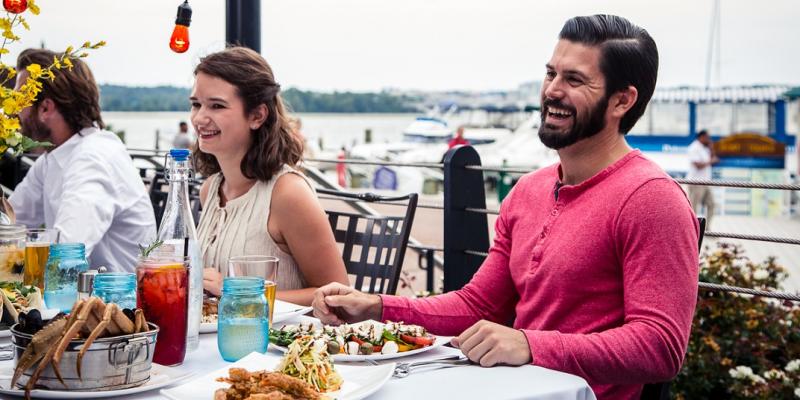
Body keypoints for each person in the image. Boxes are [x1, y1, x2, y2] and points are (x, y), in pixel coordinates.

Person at [312, 15, 699, 400]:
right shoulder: (530, 190)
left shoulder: (652, 199)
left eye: (574, 79)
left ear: (622, 100)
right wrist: (376, 307)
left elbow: (660, 347)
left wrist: (530, 345)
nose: (552, 90)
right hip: (506, 389)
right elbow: (477, 304)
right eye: (551, 74)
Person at [192, 47, 349, 306]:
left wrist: (237, 292)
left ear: (257, 115)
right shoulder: (210, 189)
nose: (199, 118)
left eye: (217, 106)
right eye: (196, 104)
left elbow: (338, 294)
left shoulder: (287, 193)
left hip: (279, 343)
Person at [9, 48, 157, 272]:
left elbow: (64, 258)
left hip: (120, 303)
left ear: (46, 108)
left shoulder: (92, 159)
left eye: (20, 100)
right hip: (83, 298)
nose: (14, 112)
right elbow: (12, 222)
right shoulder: (55, 157)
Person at [686, 129, 718, 228]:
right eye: (707, 137)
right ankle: (692, 230)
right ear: (702, 137)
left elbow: (713, 157)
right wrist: (711, 161)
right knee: (694, 208)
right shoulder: (694, 147)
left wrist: (711, 148)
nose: (709, 139)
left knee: (712, 204)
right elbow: (697, 165)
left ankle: (706, 229)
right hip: (696, 183)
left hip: (706, 182)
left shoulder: (705, 148)